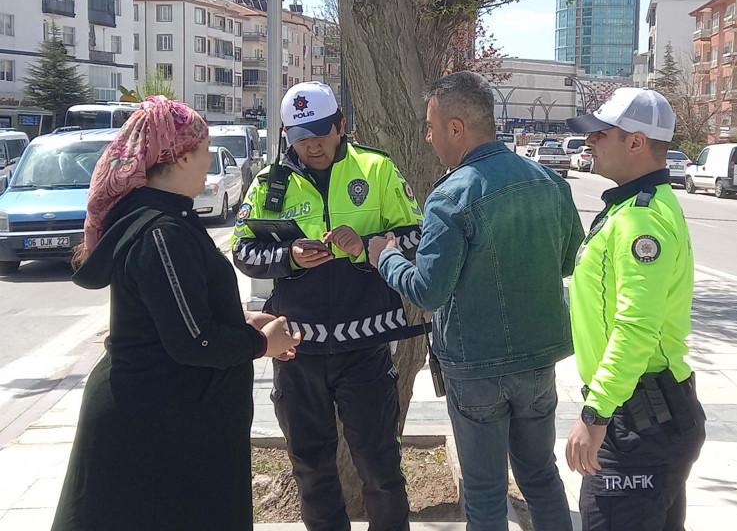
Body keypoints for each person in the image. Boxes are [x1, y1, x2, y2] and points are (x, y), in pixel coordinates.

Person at [52, 97, 301, 531]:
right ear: (180, 157)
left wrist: (239, 319)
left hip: (163, 420)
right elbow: (194, 340)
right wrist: (263, 344)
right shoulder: (161, 231)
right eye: (203, 150)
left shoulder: (164, 220)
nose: (209, 160)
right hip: (153, 430)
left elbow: (179, 312)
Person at [368, 71, 583, 531]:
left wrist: (384, 256)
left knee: (485, 494)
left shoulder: (450, 195)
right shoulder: (550, 181)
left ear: (456, 128)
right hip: (538, 360)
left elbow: (427, 290)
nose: (427, 138)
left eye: (430, 127)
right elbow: (568, 262)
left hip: (476, 365)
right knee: (541, 475)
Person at [231, 81, 426, 531]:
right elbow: (242, 251)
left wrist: (367, 247)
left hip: (366, 348)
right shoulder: (270, 183)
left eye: (321, 131)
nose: (312, 144)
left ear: (341, 125)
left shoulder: (376, 170)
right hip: (297, 350)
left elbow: (418, 238)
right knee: (312, 470)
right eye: (301, 136)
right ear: (286, 134)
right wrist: (288, 257)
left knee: (380, 468)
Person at [564, 88, 707, 531]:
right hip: (647, 412)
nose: (589, 142)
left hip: (637, 419)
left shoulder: (641, 220)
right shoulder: (631, 208)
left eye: (600, 134)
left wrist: (596, 414)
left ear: (636, 142)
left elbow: (635, 328)